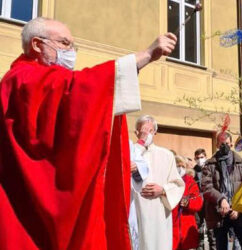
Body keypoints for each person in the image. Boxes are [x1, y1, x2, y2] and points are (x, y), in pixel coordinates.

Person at [0, 17, 176, 249]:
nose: (71, 52)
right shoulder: (24, 79)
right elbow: (79, 91)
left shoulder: (39, 78)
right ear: (36, 44)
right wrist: (144, 56)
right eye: (64, 43)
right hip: (28, 208)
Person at [130, 115, 185, 250]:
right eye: (142, 130)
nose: (145, 134)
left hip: (158, 211)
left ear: (155, 132)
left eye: (149, 130)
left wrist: (163, 190)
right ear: (136, 132)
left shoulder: (166, 155)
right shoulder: (130, 152)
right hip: (136, 210)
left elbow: (178, 184)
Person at [201, 132, 242, 250]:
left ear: (231, 144)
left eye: (227, 144)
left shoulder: (241, 163)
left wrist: (238, 208)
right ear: (217, 145)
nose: (225, 147)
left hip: (239, 212)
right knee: (220, 245)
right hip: (218, 212)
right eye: (222, 144)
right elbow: (206, 187)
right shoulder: (210, 165)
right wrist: (221, 199)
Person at [173, 156, 203, 250]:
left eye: (182, 166)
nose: (180, 168)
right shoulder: (167, 181)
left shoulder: (190, 182)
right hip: (172, 228)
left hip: (187, 226)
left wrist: (188, 203)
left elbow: (198, 203)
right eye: (178, 166)